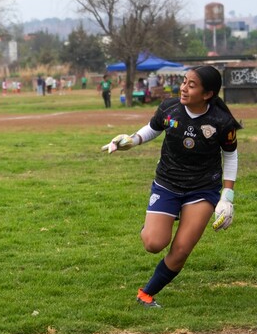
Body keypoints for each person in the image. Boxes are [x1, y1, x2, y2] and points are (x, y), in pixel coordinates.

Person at [102, 65, 241, 308]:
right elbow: (152, 129)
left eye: (191, 85)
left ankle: (146, 294)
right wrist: (131, 140)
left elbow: (230, 156)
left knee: (181, 249)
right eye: (184, 82)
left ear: (207, 94)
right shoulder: (169, 108)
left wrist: (226, 197)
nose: (184, 88)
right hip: (167, 183)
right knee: (153, 243)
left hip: (202, 189)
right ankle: (154, 222)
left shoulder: (221, 122)